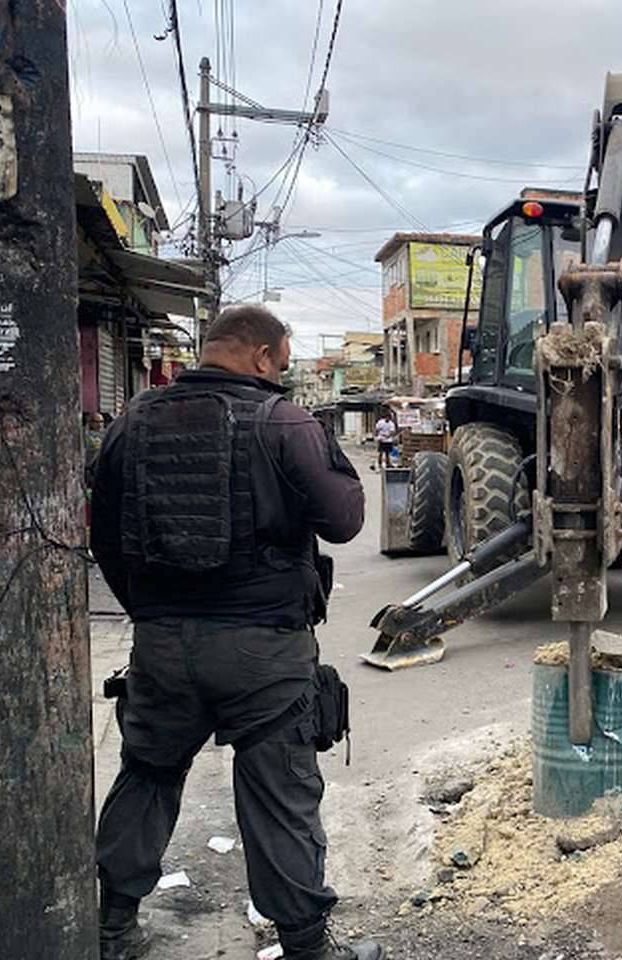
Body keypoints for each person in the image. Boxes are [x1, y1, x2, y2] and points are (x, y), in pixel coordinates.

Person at [90, 305, 376, 960]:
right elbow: (345, 522)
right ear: (262, 355)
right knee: (280, 793)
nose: (280, 369)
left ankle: (113, 928)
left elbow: (103, 536)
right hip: (263, 652)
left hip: (161, 644)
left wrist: (151, 611)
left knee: (148, 774)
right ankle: (307, 948)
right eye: (281, 358)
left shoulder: (133, 420)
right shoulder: (284, 421)